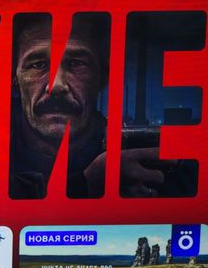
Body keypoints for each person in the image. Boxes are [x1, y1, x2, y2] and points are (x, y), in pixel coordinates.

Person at [9, 14, 165, 198]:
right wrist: (86, 187)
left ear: (103, 76)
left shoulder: (143, 160)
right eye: (38, 65)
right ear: (14, 77)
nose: (57, 86)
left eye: (76, 63)